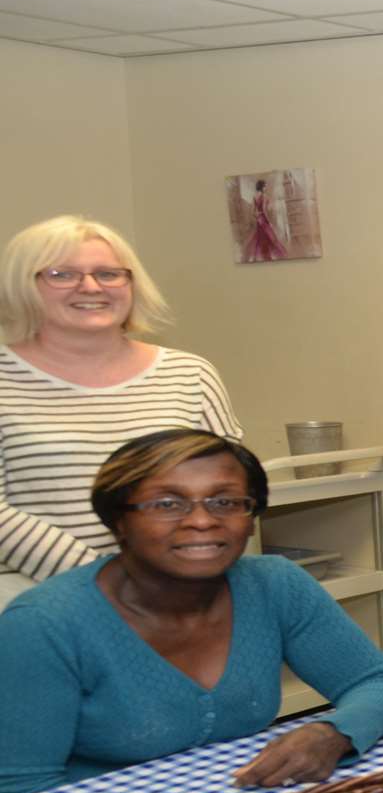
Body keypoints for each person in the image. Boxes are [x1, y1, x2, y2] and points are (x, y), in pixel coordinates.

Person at [0, 430, 383, 793]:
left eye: (226, 502)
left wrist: (332, 733)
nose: (201, 520)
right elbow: (19, 792)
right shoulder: (44, 625)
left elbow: (376, 682)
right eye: (166, 503)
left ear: (251, 520)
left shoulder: (276, 585)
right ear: (117, 521)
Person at [0, 215, 241, 608]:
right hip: (38, 600)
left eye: (109, 274)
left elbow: (229, 488)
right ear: (23, 286)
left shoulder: (190, 374)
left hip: (179, 592)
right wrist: (108, 581)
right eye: (63, 275)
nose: (91, 287)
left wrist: (178, 577)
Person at [242, 179, 288, 263]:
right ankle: (273, 256)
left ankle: (264, 257)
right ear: (262, 187)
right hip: (263, 220)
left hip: (259, 220)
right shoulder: (264, 196)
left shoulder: (254, 197)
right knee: (271, 238)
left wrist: (257, 216)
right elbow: (264, 210)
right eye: (265, 186)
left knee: (262, 238)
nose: (266, 188)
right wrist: (268, 222)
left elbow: (253, 212)